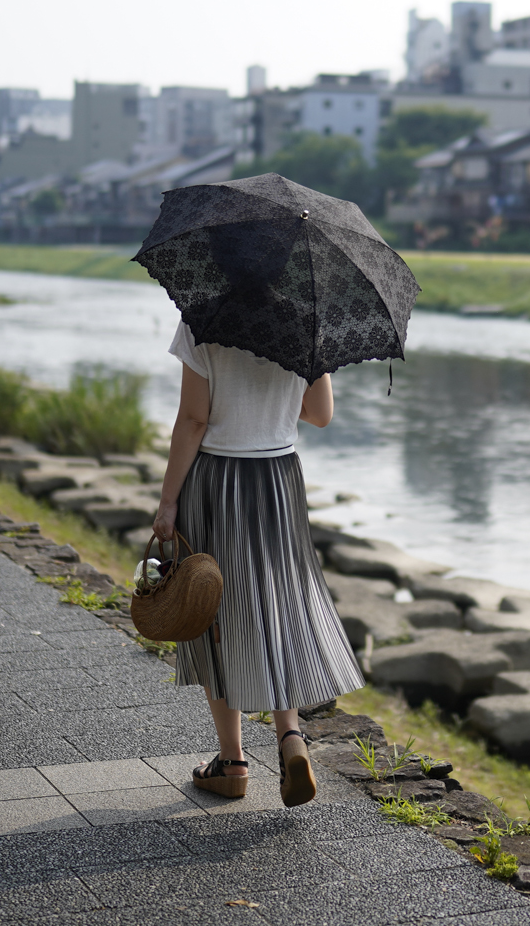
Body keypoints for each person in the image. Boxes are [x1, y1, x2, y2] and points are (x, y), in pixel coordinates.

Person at [150, 319, 363, 807]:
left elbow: (193, 420)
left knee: (216, 613)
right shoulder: (304, 322)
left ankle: (233, 762)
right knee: (276, 603)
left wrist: (167, 503)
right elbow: (321, 413)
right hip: (278, 479)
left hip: (218, 479)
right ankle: (290, 737)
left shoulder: (204, 320)